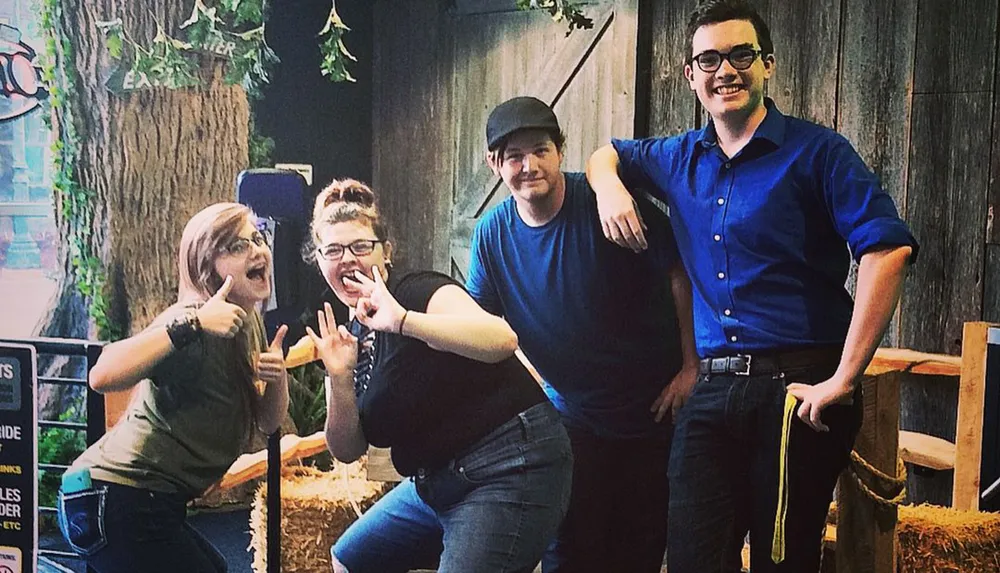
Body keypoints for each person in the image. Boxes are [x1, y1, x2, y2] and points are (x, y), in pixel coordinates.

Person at [586, 1, 919, 571]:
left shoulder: (819, 153)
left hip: (798, 391)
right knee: (691, 557)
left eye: (742, 55)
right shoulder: (678, 157)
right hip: (711, 393)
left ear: (767, 64)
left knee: (782, 561)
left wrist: (843, 377)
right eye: (708, 59)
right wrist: (608, 189)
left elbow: (887, 249)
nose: (725, 71)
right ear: (691, 76)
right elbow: (606, 154)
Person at [466, 96, 699, 573]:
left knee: (637, 547)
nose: (528, 166)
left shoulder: (605, 207)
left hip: (653, 411)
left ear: (561, 151)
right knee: (569, 548)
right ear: (495, 164)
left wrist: (691, 366)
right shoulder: (491, 235)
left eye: (540, 150)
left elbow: (680, 271)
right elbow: (480, 325)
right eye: (514, 157)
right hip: (572, 417)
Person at [305, 179, 572, 573]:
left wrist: (405, 322)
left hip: (510, 464)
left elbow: (501, 338)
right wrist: (339, 379)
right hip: (437, 482)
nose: (348, 259)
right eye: (333, 250)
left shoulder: (416, 291)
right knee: (350, 559)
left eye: (361, 246)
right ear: (320, 260)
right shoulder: (353, 336)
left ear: (386, 253)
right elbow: (348, 449)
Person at [57, 202, 291, 573]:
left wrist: (276, 381)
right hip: (117, 495)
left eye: (257, 238)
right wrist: (193, 323)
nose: (257, 250)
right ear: (204, 266)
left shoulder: (247, 321)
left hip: (142, 500)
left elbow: (268, 421)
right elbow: (102, 375)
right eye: (236, 246)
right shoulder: (191, 319)